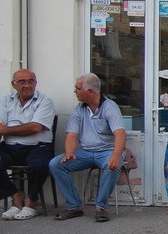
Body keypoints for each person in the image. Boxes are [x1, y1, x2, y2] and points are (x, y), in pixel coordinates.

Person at [0, 69, 56, 220]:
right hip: (10, 147)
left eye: (30, 81)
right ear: (14, 84)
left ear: (35, 83)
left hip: (38, 147)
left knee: (40, 165)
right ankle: (16, 196)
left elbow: (36, 127)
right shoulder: (6, 101)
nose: (27, 85)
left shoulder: (44, 101)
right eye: (22, 82)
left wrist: (6, 130)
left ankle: (31, 201)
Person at [49, 73, 126, 222]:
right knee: (56, 164)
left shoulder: (109, 107)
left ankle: (101, 207)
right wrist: (69, 152)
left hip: (107, 151)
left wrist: (116, 156)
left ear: (90, 91)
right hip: (85, 152)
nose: (75, 91)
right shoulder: (79, 109)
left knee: (112, 165)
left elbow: (120, 134)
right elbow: (72, 134)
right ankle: (74, 205)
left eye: (78, 88)